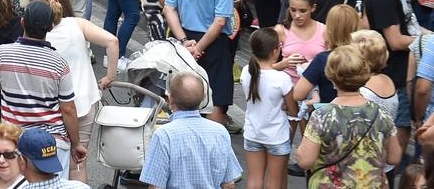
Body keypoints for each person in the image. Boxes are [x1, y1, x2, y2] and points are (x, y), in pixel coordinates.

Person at [0, 1, 84, 176]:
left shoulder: (1, 54)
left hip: (13, 139)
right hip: (51, 144)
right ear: (50, 27)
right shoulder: (59, 63)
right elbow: (68, 109)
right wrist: (76, 144)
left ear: (22, 22)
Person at [30, 0, 116, 186]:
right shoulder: (77, 24)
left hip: (52, 107)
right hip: (85, 101)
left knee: (49, 160)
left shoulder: (38, 38)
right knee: (78, 162)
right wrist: (109, 76)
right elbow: (112, 41)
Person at [164, 0, 238, 124]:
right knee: (215, 99)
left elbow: (169, 8)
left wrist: (184, 40)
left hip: (184, 37)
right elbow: (220, 21)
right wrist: (199, 48)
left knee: (182, 97)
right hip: (213, 44)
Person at [364, 0, 434, 153]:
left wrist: (428, 35)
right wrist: (428, 43)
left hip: (401, 70)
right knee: (400, 131)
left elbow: (409, 25)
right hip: (395, 74)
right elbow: (395, 41)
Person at [296, 45, 402, 185]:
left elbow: (305, 161)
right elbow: (394, 157)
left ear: (331, 77)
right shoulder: (381, 113)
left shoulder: (322, 116)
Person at [140, 72, 243, 189]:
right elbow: (229, 184)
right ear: (204, 98)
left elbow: (156, 186)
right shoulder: (220, 132)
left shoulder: (164, 135)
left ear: (171, 99)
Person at [241, 29, 294, 189]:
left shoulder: (246, 71)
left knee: (254, 180)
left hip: (252, 133)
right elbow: (293, 111)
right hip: (277, 136)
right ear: (275, 51)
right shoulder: (283, 79)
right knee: (274, 183)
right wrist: (285, 106)